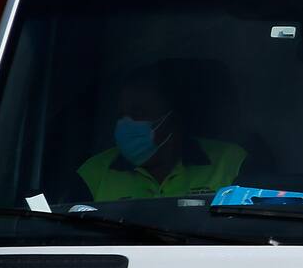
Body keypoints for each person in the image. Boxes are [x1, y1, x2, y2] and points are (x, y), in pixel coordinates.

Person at [77, 64, 247, 202]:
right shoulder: (94, 173)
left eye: (138, 113)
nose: (125, 124)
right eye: (121, 115)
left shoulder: (231, 163)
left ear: (173, 119)